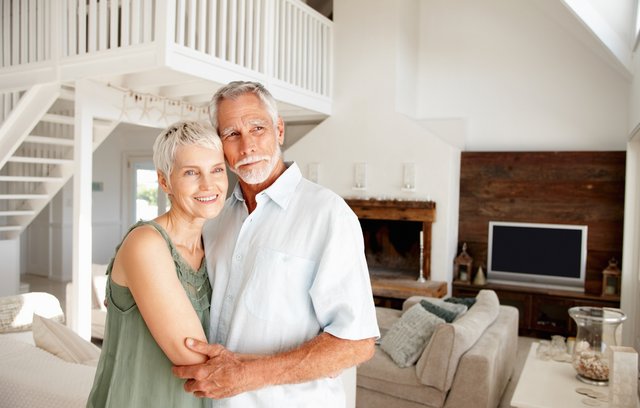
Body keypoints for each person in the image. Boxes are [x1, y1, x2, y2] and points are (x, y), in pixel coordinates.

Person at [172, 81, 380, 407]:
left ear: (279, 130)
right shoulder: (215, 222)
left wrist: (247, 375)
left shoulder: (328, 215)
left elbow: (357, 342)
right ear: (220, 145)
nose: (247, 146)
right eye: (232, 134)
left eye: (257, 128)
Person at [87, 121, 228, 407]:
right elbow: (195, 358)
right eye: (191, 172)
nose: (208, 184)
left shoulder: (213, 244)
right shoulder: (146, 244)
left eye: (217, 169)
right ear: (164, 182)